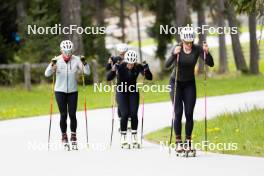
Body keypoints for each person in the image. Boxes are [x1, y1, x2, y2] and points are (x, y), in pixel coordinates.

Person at [164, 26, 214, 155]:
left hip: (189, 84)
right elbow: (166, 66)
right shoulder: (178, 48)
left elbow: (210, 63)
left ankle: (188, 141)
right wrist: (173, 54)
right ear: (182, 40)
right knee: (178, 112)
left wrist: (207, 53)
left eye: (191, 42)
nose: (189, 44)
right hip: (175, 83)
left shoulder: (197, 48)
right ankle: (178, 142)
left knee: (189, 113)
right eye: (186, 42)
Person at [45, 40, 90, 150]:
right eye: (65, 51)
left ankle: (73, 136)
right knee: (63, 114)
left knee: (72, 114)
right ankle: (64, 136)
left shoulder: (76, 59)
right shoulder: (56, 60)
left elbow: (87, 72)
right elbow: (47, 74)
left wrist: (85, 63)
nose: (68, 54)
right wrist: (52, 66)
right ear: (61, 51)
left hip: (73, 91)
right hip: (59, 91)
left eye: (69, 51)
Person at [107, 50, 152, 148]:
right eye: (129, 63)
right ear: (126, 61)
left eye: (133, 63)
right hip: (121, 92)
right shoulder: (120, 66)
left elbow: (149, 77)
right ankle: (123, 137)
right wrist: (113, 70)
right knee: (125, 114)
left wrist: (146, 69)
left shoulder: (138, 66)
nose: (131, 65)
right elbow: (108, 78)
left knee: (134, 114)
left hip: (133, 92)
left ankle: (134, 137)